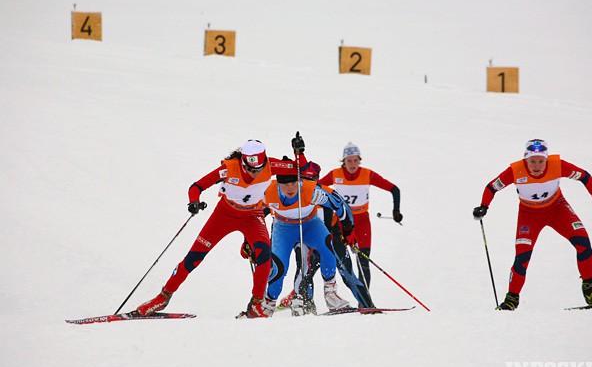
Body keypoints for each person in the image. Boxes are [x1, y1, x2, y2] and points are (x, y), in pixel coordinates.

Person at [135, 134, 306, 318]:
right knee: (194, 258)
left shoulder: (271, 165)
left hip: (253, 216)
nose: (255, 173)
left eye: (259, 169)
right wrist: (194, 201)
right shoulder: (228, 169)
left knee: (264, 254)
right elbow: (197, 186)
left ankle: (256, 304)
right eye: (251, 169)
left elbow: (301, 169)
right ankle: (162, 297)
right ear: (243, 163)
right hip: (224, 214)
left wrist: (299, 152)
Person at [473, 139, 592, 310]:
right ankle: (511, 300)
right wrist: (484, 206)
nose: (537, 166)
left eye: (541, 161)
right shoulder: (515, 170)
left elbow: (585, 177)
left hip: (558, 209)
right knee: (522, 257)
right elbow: (492, 187)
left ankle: (590, 291)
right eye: (532, 161)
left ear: (546, 159)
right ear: (525, 159)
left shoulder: (558, 165)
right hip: (529, 216)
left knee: (583, 242)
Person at [263, 166, 357, 314]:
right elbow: (253, 213)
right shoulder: (267, 191)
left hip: (310, 225)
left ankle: (330, 293)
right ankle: (268, 305)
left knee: (327, 248)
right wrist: (250, 241)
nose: (290, 188)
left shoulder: (311, 189)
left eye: (294, 183)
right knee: (279, 268)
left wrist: (347, 229)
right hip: (283, 229)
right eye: (285, 184)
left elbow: (338, 203)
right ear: (278, 184)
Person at [318, 142, 402, 288]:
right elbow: (315, 188)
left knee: (363, 262)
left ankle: (365, 298)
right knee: (328, 257)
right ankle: (300, 293)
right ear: (343, 161)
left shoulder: (367, 174)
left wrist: (396, 211)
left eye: (355, 160)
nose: (352, 164)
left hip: (362, 222)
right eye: (349, 160)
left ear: (359, 160)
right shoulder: (335, 174)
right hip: (341, 222)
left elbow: (394, 189)